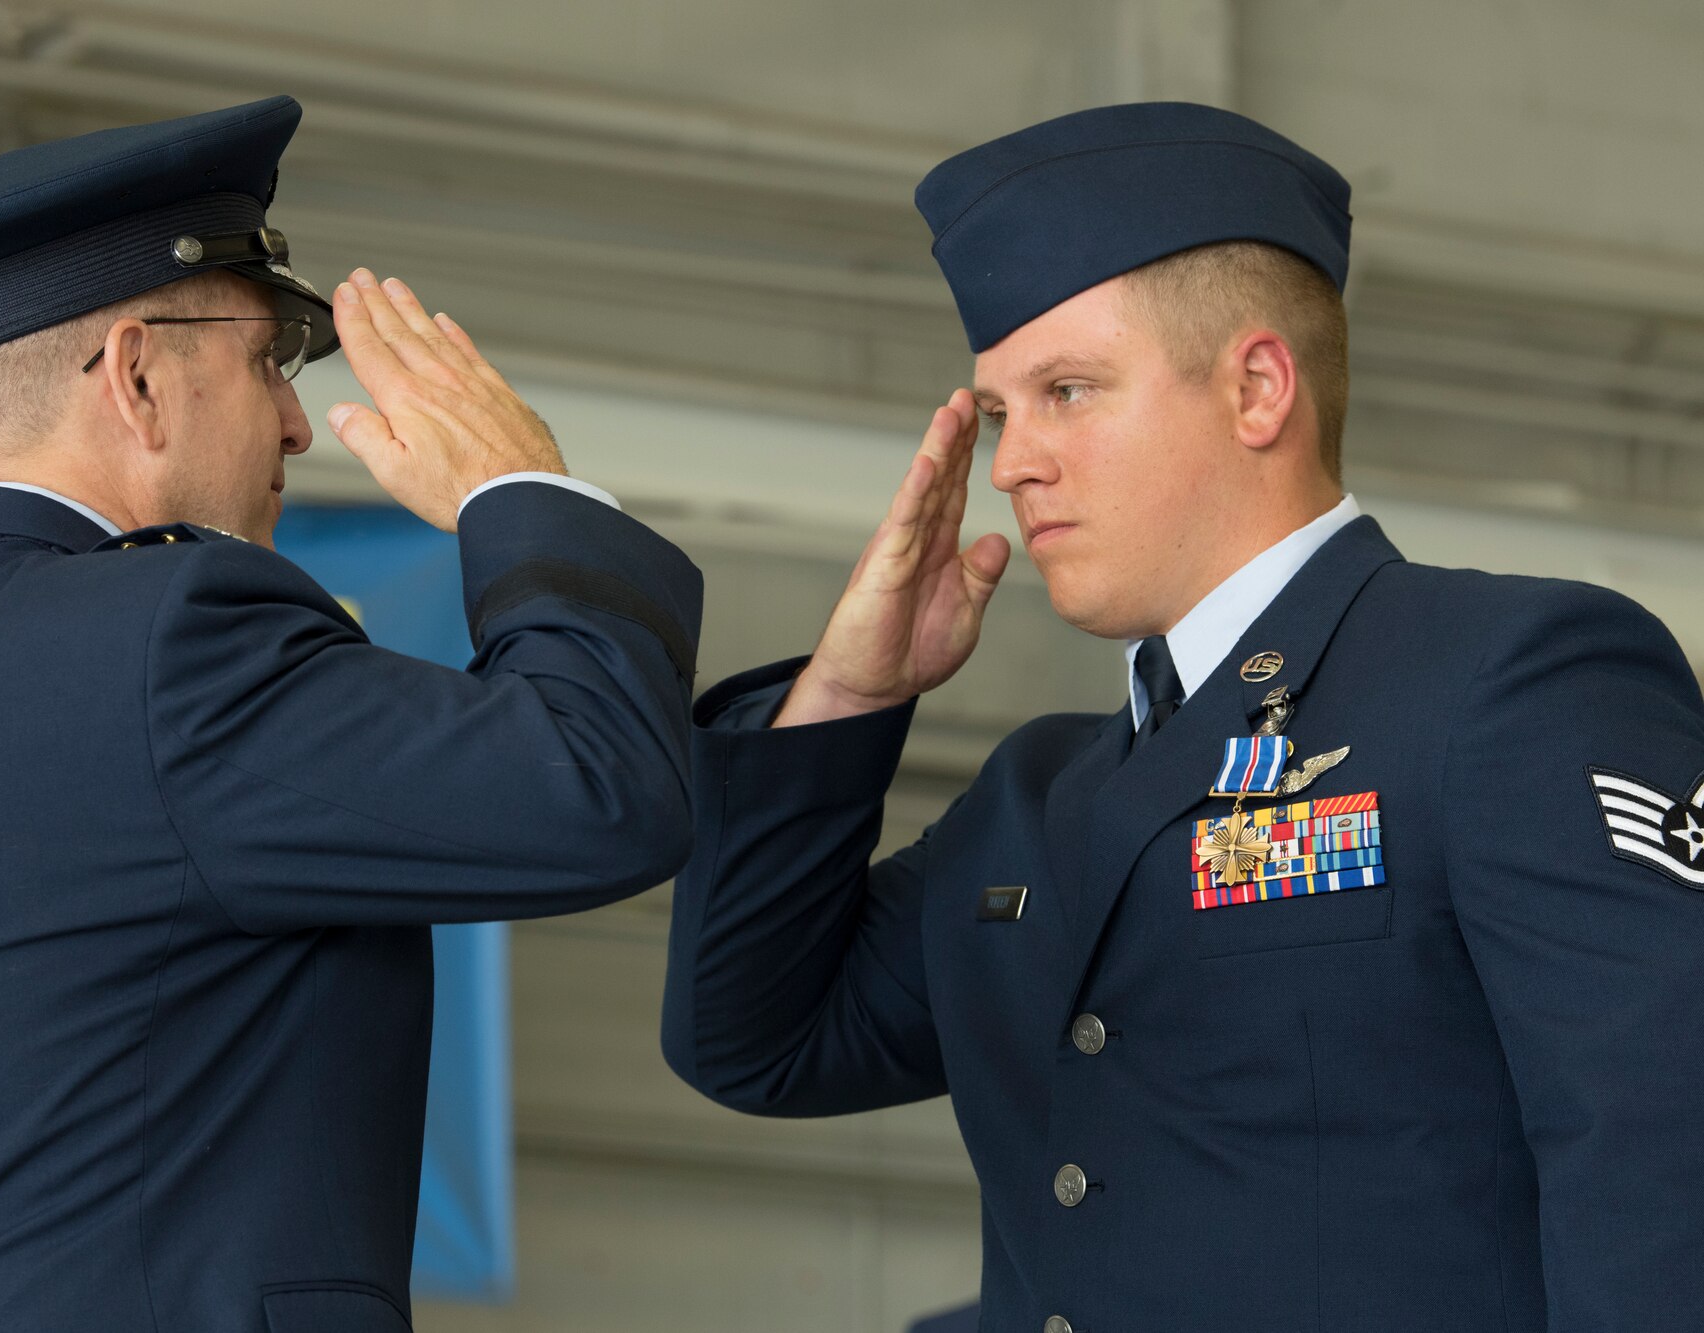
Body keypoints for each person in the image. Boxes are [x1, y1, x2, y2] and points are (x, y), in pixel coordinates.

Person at [661, 102, 1704, 1333]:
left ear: (1256, 387)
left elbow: (1657, 1152)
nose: (1009, 464)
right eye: (1000, 413)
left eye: (1066, 390)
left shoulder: (1506, 679)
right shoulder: (1030, 798)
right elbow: (754, 1040)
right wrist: (844, 697)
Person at [0, 96, 702, 1333]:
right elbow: (597, 788)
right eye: (265, 361)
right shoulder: (164, 635)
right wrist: (525, 489)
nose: (294, 420)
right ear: (136, 377)